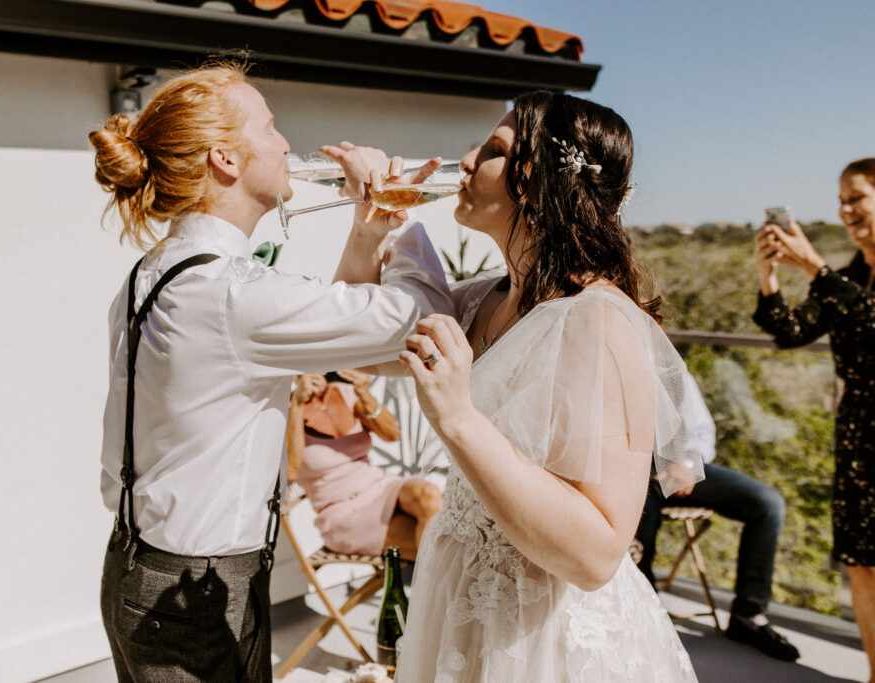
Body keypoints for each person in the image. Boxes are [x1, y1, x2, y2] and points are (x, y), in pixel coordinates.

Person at [90, 59, 452, 682]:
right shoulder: (228, 291)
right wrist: (400, 205)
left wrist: (367, 233)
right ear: (226, 160)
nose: (287, 144)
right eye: (270, 126)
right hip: (194, 590)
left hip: (147, 567)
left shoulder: (164, 269)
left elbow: (334, 342)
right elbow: (421, 320)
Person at [359, 90, 706, 681]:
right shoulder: (483, 298)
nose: (465, 161)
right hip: (461, 597)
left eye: (493, 149)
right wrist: (371, 226)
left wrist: (458, 420)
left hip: (545, 629)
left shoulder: (601, 320)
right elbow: (364, 350)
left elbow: (598, 554)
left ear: (542, 183)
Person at [752, 157, 875, 680]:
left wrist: (815, 269)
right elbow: (790, 331)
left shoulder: (835, 277)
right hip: (858, 435)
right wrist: (769, 274)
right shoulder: (847, 276)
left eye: (857, 198)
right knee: (861, 561)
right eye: (841, 201)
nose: (846, 210)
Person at [634, 370, 799, 661]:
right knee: (640, 516)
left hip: (675, 466)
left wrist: (687, 464)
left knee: (767, 503)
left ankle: (749, 615)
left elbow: (701, 432)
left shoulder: (669, 365)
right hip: (630, 473)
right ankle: (645, 614)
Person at [286, 370, 443, 561]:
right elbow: (291, 469)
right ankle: (433, 586)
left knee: (428, 495)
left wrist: (364, 393)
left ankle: (435, 584)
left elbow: (392, 434)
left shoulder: (344, 392)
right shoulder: (286, 413)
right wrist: (297, 404)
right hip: (342, 512)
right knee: (436, 544)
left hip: (381, 487)